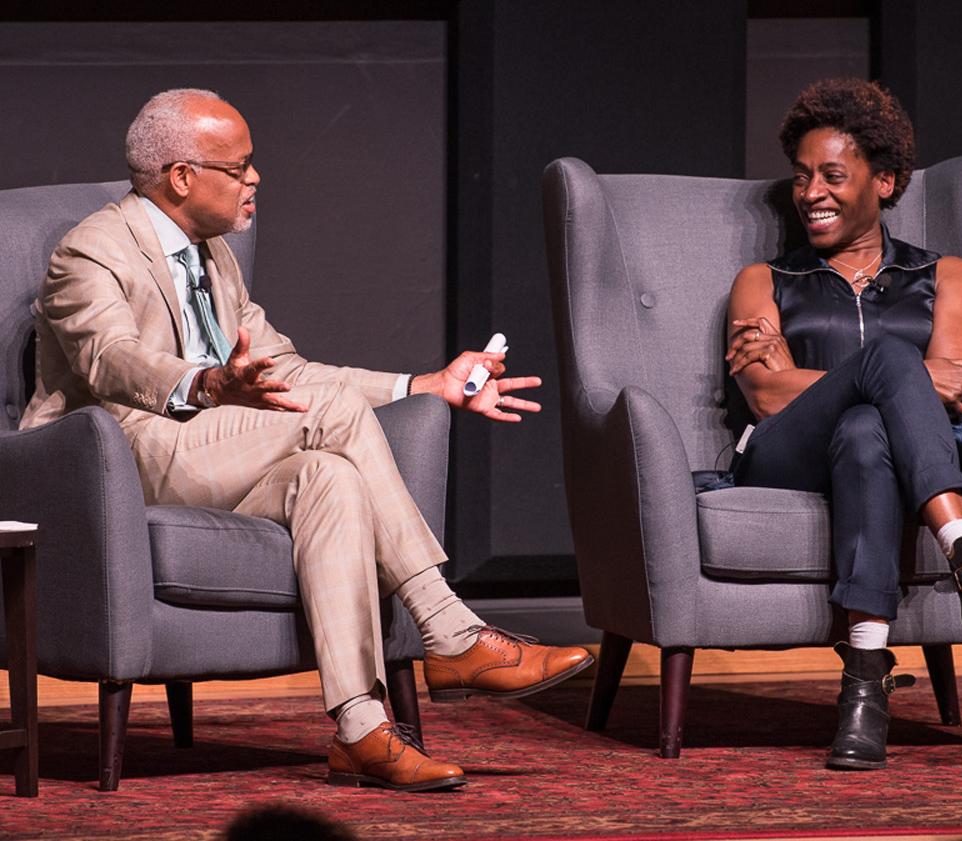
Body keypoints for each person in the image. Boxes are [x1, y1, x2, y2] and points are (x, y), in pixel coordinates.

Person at [21, 88, 593, 793]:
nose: (255, 178)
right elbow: (110, 360)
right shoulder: (92, 249)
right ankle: (450, 631)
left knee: (331, 476)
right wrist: (205, 384)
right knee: (336, 416)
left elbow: (289, 370)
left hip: (210, 450)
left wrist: (423, 384)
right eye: (240, 166)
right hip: (115, 457)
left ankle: (360, 729)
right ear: (180, 176)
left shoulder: (214, 259)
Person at [724, 78, 962, 771]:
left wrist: (863, 383)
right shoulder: (762, 279)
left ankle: (863, 686)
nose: (810, 193)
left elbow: (954, 397)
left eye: (832, 175)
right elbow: (767, 397)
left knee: (865, 431)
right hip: (787, 450)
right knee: (889, 366)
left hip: (881, 455)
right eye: (801, 178)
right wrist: (903, 373)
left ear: (884, 182)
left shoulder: (947, 275)